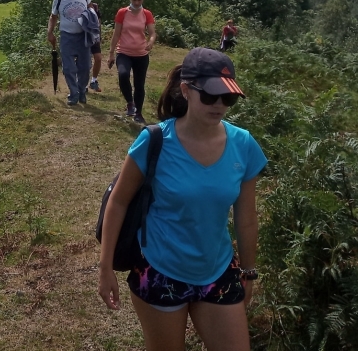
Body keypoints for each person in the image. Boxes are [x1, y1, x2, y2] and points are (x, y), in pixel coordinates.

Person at [97, 47, 267, 351]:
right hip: (160, 270)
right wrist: (105, 267)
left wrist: (249, 271)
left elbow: (246, 218)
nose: (219, 106)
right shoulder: (155, 141)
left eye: (227, 98)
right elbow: (119, 201)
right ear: (187, 91)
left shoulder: (243, 144)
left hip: (217, 269)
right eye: (210, 96)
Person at [108, 0, 156, 124]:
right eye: (134, 0)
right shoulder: (122, 13)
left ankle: (138, 113)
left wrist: (151, 42)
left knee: (139, 84)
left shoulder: (146, 14)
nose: (136, 2)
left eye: (139, 0)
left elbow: (152, 33)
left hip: (141, 54)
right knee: (123, 74)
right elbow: (116, 33)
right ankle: (130, 103)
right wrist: (111, 53)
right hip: (124, 52)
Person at [47, 0, 92, 106]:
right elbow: (53, 16)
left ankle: (82, 90)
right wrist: (50, 32)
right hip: (67, 36)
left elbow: (91, 9)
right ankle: (74, 94)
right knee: (68, 68)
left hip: (83, 35)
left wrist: (94, 28)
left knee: (85, 67)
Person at [80, 0, 103, 92]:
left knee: (98, 58)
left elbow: (98, 22)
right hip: (82, 37)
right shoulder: (77, 6)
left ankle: (93, 81)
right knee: (85, 62)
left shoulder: (94, 6)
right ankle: (83, 84)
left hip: (93, 36)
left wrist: (99, 36)